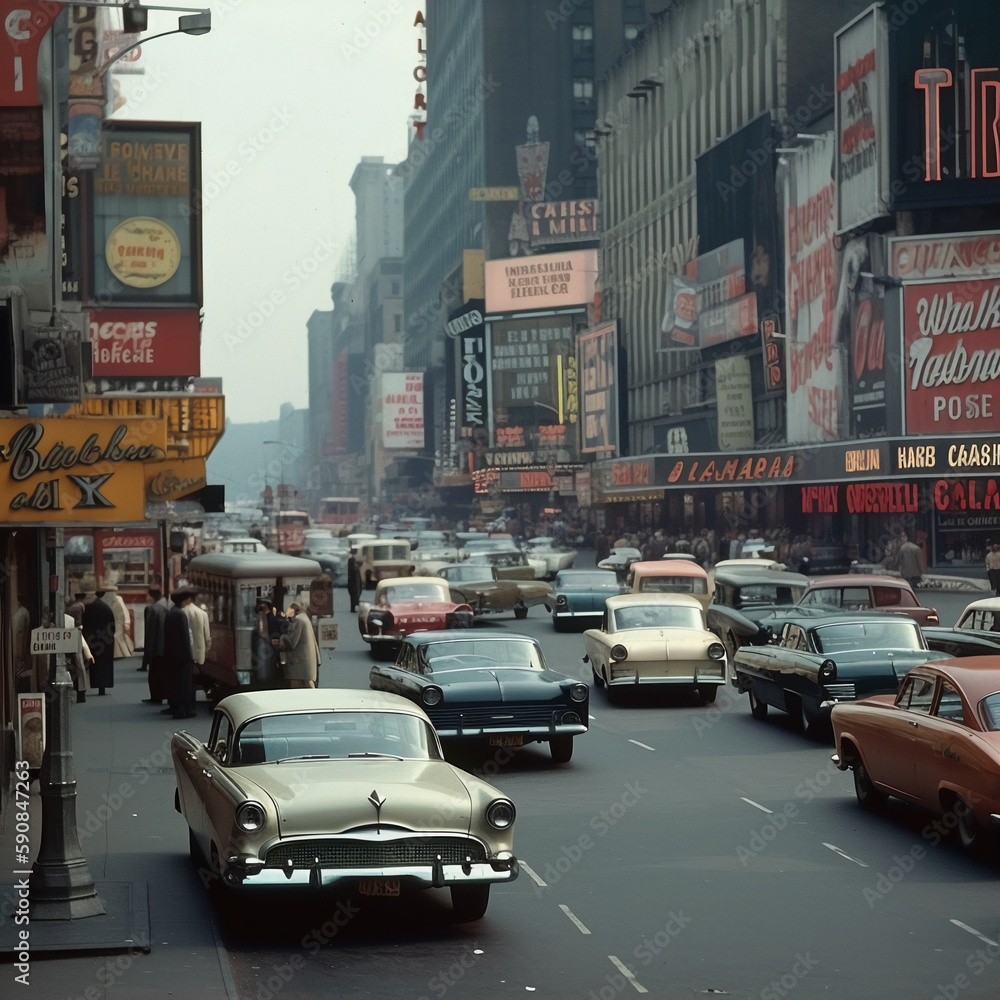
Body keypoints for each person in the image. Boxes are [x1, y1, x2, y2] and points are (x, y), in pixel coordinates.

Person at [79, 574, 115, 695]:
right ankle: (102, 687)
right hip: (105, 638)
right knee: (103, 665)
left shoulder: (84, 606)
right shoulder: (105, 607)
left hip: (88, 637)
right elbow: (112, 625)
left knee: (86, 663)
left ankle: (82, 689)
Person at [163, 589, 196, 719]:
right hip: (182, 656)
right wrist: (189, 656)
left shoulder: (171, 612)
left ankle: (176, 708)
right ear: (184, 600)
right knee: (185, 685)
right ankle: (185, 709)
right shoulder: (180, 615)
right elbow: (185, 638)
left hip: (172, 655)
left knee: (175, 684)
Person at [279, 603, 321, 688]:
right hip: (305, 665)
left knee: (298, 693)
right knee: (308, 691)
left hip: (298, 666)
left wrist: (282, 639)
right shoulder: (304, 618)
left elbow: (291, 643)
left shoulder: (298, 620)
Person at [142, 587, 170, 704]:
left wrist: (148, 651)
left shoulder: (154, 609)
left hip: (157, 648)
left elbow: (151, 632)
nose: (146, 598)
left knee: (154, 675)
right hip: (164, 647)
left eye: (148, 595)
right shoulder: (164, 608)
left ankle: (156, 697)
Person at [182, 590, 212, 682]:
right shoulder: (202, 614)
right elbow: (207, 636)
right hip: (199, 652)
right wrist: (207, 649)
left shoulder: (180, 612)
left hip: (184, 652)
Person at [101, 581, 135, 659]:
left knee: (119, 637)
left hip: (118, 621)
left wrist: (127, 621)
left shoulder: (118, 599)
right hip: (111, 622)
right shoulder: (104, 600)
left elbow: (124, 611)